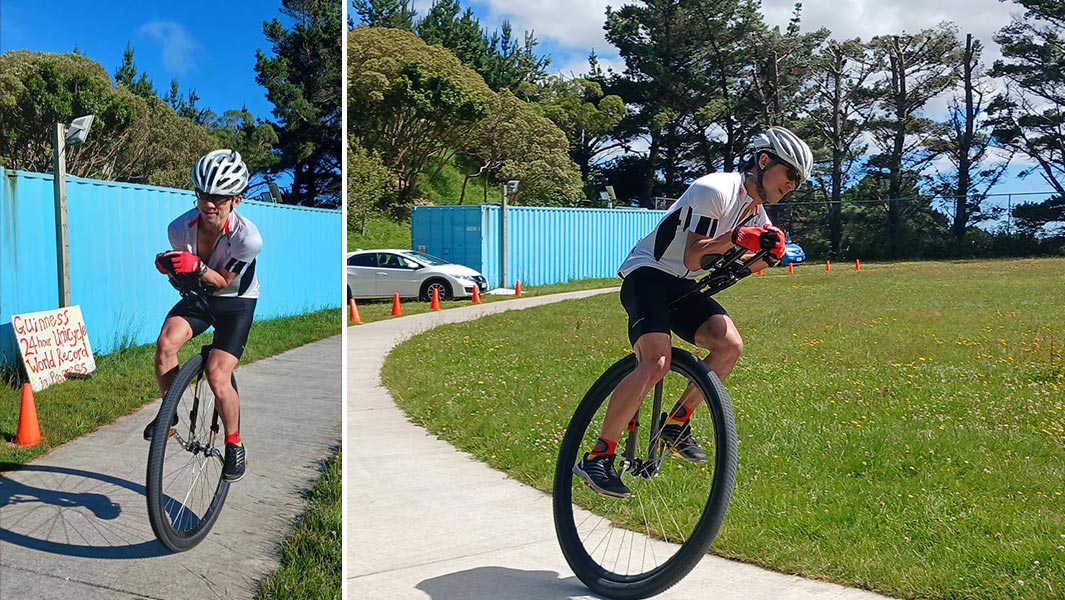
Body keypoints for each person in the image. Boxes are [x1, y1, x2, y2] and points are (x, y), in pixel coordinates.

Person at [573, 126, 814, 498]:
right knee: (655, 363)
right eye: (791, 175)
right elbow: (693, 254)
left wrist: (767, 257)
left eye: (799, 182)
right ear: (764, 161)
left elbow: (740, 267)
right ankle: (599, 456)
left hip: (684, 286)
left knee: (730, 346)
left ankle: (675, 424)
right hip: (648, 274)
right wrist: (736, 238)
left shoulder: (757, 214)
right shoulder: (714, 189)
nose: (793, 186)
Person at [146, 149, 263, 483]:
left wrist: (195, 266)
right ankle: (169, 415)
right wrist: (169, 268)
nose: (209, 204)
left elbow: (224, 280)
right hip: (201, 296)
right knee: (166, 344)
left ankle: (233, 442)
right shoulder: (179, 228)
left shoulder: (248, 238)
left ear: (236, 200)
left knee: (216, 375)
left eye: (219, 198)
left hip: (236, 301)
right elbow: (186, 279)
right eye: (202, 194)